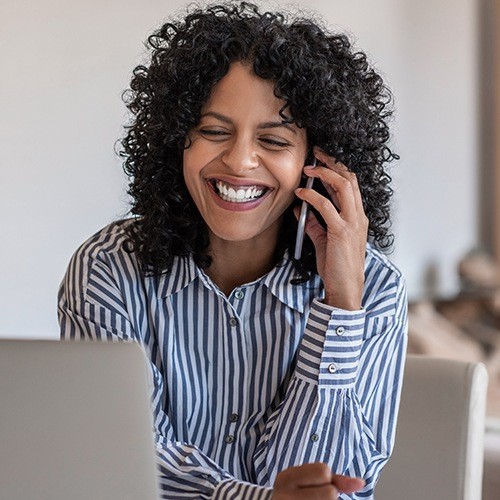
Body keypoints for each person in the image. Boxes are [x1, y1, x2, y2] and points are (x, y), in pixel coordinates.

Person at [58, 2, 408, 499]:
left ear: (319, 162)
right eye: (214, 131)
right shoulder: (110, 269)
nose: (241, 160)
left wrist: (341, 307)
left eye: (274, 139)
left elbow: (334, 486)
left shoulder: (374, 288)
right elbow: (120, 462)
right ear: (176, 138)